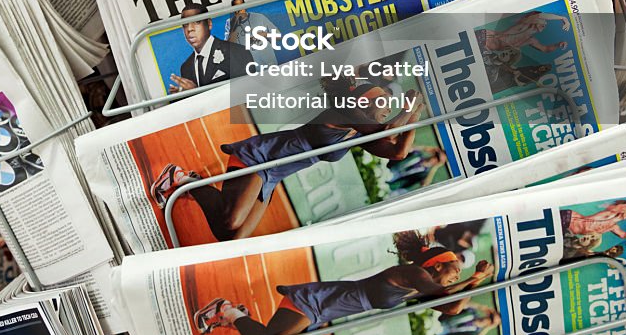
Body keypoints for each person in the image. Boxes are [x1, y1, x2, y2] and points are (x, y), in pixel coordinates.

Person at [150, 80, 425, 240]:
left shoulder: (358, 132)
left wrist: (414, 113)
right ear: (363, 98)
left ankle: (194, 183)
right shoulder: (348, 111)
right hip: (260, 157)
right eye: (384, 101)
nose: (388, 107)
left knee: (230, 236)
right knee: (232, 220)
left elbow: (398, 151)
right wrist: (410, 109)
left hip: (271, 176)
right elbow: (391, 133)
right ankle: (178, 178)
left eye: (391, 104)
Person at [193, 234, 494, 335]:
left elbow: (449, 305)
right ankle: (227, 310)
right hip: (314, 301)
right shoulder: (414, 274)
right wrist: (477, 278)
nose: (456, 277)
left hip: (322, 316)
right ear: (437, 266)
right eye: (455, 272)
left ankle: (239, 316)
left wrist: (472, 280)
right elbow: (451, 305)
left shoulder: (418, 288)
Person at [168, 4, 250, 93]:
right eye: (185, 24)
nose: (189, 29)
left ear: (209, 24)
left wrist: (196, 92)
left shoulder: (236, 52)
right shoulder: (186, 67)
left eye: (196, 22)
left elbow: (248, 91)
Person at [560, 201, 626, 242]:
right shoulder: (610, 214)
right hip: (569, 218)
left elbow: (623, 235)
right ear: (623, 209)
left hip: (569, 230)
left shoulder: (613, 227)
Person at [436, 304, 501, 335]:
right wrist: (481, 307)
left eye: (492, 321)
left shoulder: (476, 333)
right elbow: (462, 304)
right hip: (438, 323)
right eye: (491, 316)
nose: (489, 319)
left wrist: (487, 329)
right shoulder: (471, 312)